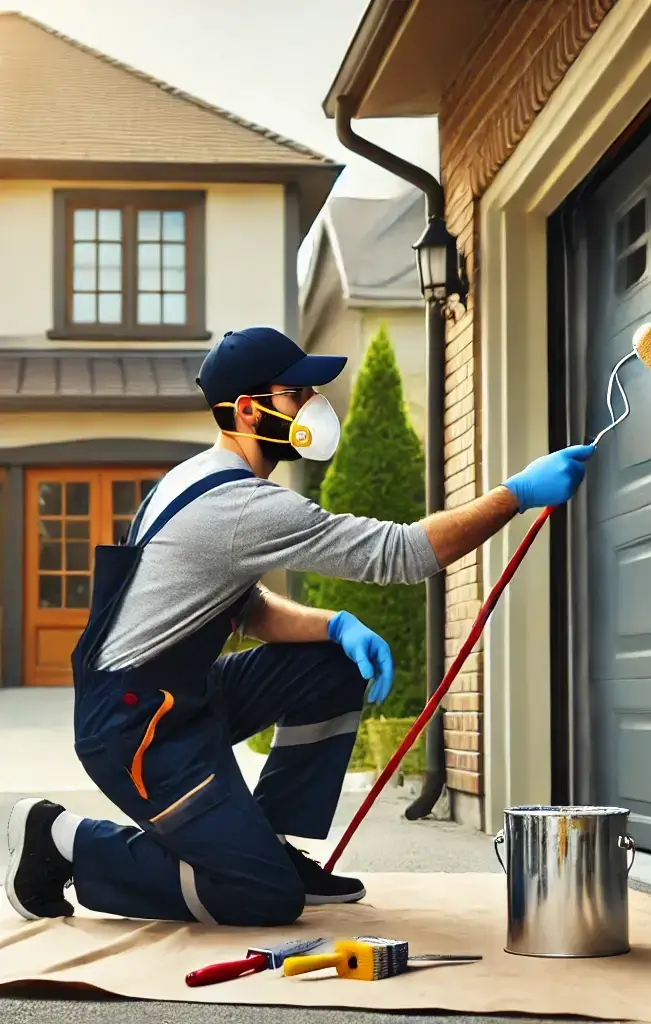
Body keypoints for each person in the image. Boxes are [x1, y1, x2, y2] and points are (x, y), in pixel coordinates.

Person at [4, 326, 595, 928]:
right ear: (245, 411)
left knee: (332, 660)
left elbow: (248, 610)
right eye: (296, 392)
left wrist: (336, 625)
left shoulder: (199, 478)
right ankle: (63, 839)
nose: (313, 404)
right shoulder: (239, 505)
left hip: (183, 698)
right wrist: (514, 494)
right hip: (135, 729)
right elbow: (402, 554)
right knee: (260, 898)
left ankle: (269, 840)